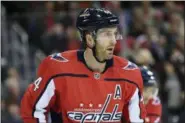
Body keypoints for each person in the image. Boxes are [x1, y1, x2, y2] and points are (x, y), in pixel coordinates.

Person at [20, 8, 146, 123]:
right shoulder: (57, 68)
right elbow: (33, 109)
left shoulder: (130, 74)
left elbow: (136, 120)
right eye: (107, 34)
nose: (114, 40)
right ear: (89, 38)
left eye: (115, 34)